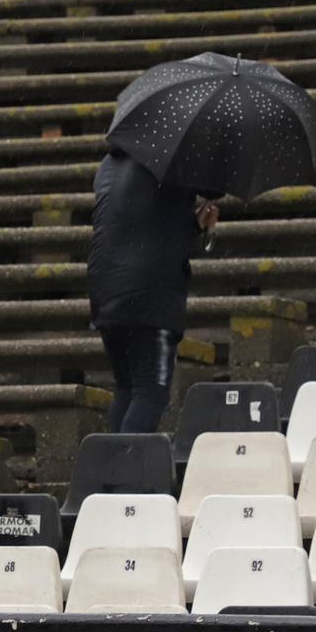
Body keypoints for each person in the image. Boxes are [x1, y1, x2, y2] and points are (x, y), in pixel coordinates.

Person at [87, 147, 220, 434]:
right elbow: (214, 185)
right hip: (148, 297)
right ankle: (128, 472)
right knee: (151, 392)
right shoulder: (173, 159)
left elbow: (145, 226)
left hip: (105, 289)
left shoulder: (110, 164)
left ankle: (112, 474)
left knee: (126, 387)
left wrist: (195, 224)